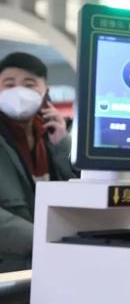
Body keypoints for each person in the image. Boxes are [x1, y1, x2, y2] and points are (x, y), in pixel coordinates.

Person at [0, 52, 74, 272]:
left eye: (29, 84)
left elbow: (80, 192)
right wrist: (42, 238)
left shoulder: (51, 138)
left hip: (51, 263)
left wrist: (62, 144)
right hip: (10, 268)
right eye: (8, 84)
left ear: (45, 92)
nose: (18, 91)